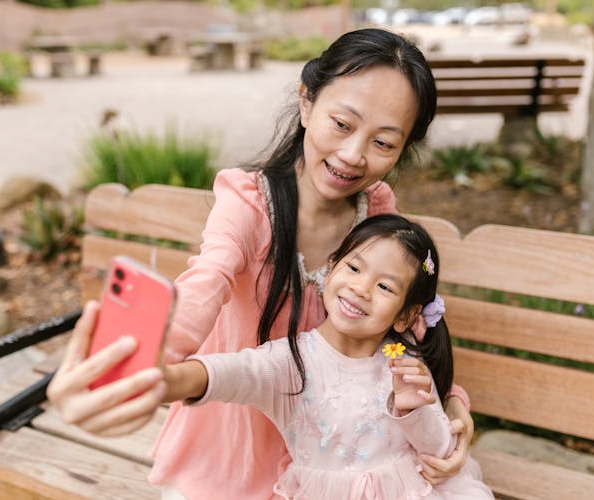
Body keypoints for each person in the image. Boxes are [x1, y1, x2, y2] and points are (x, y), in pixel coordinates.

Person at [47, 28, 475, 498]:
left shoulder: (376, 211)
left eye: (384, 143)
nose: (353, 156)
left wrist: (452, 404)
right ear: (307, 102)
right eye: (342, 124)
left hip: (341, 450)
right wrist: (138, 373)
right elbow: (205, 283)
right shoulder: (250, 203)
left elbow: (406, 321)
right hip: (237, 440)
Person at [158, 214, 492, 499]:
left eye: (385, 287)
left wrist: (413, 411)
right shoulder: (290, 362)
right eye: (355, 268)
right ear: (331, 269)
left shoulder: (403, 358)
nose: (361, 289)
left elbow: (440, 450)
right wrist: (162, 381)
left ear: (406, 315)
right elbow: (227, 373)